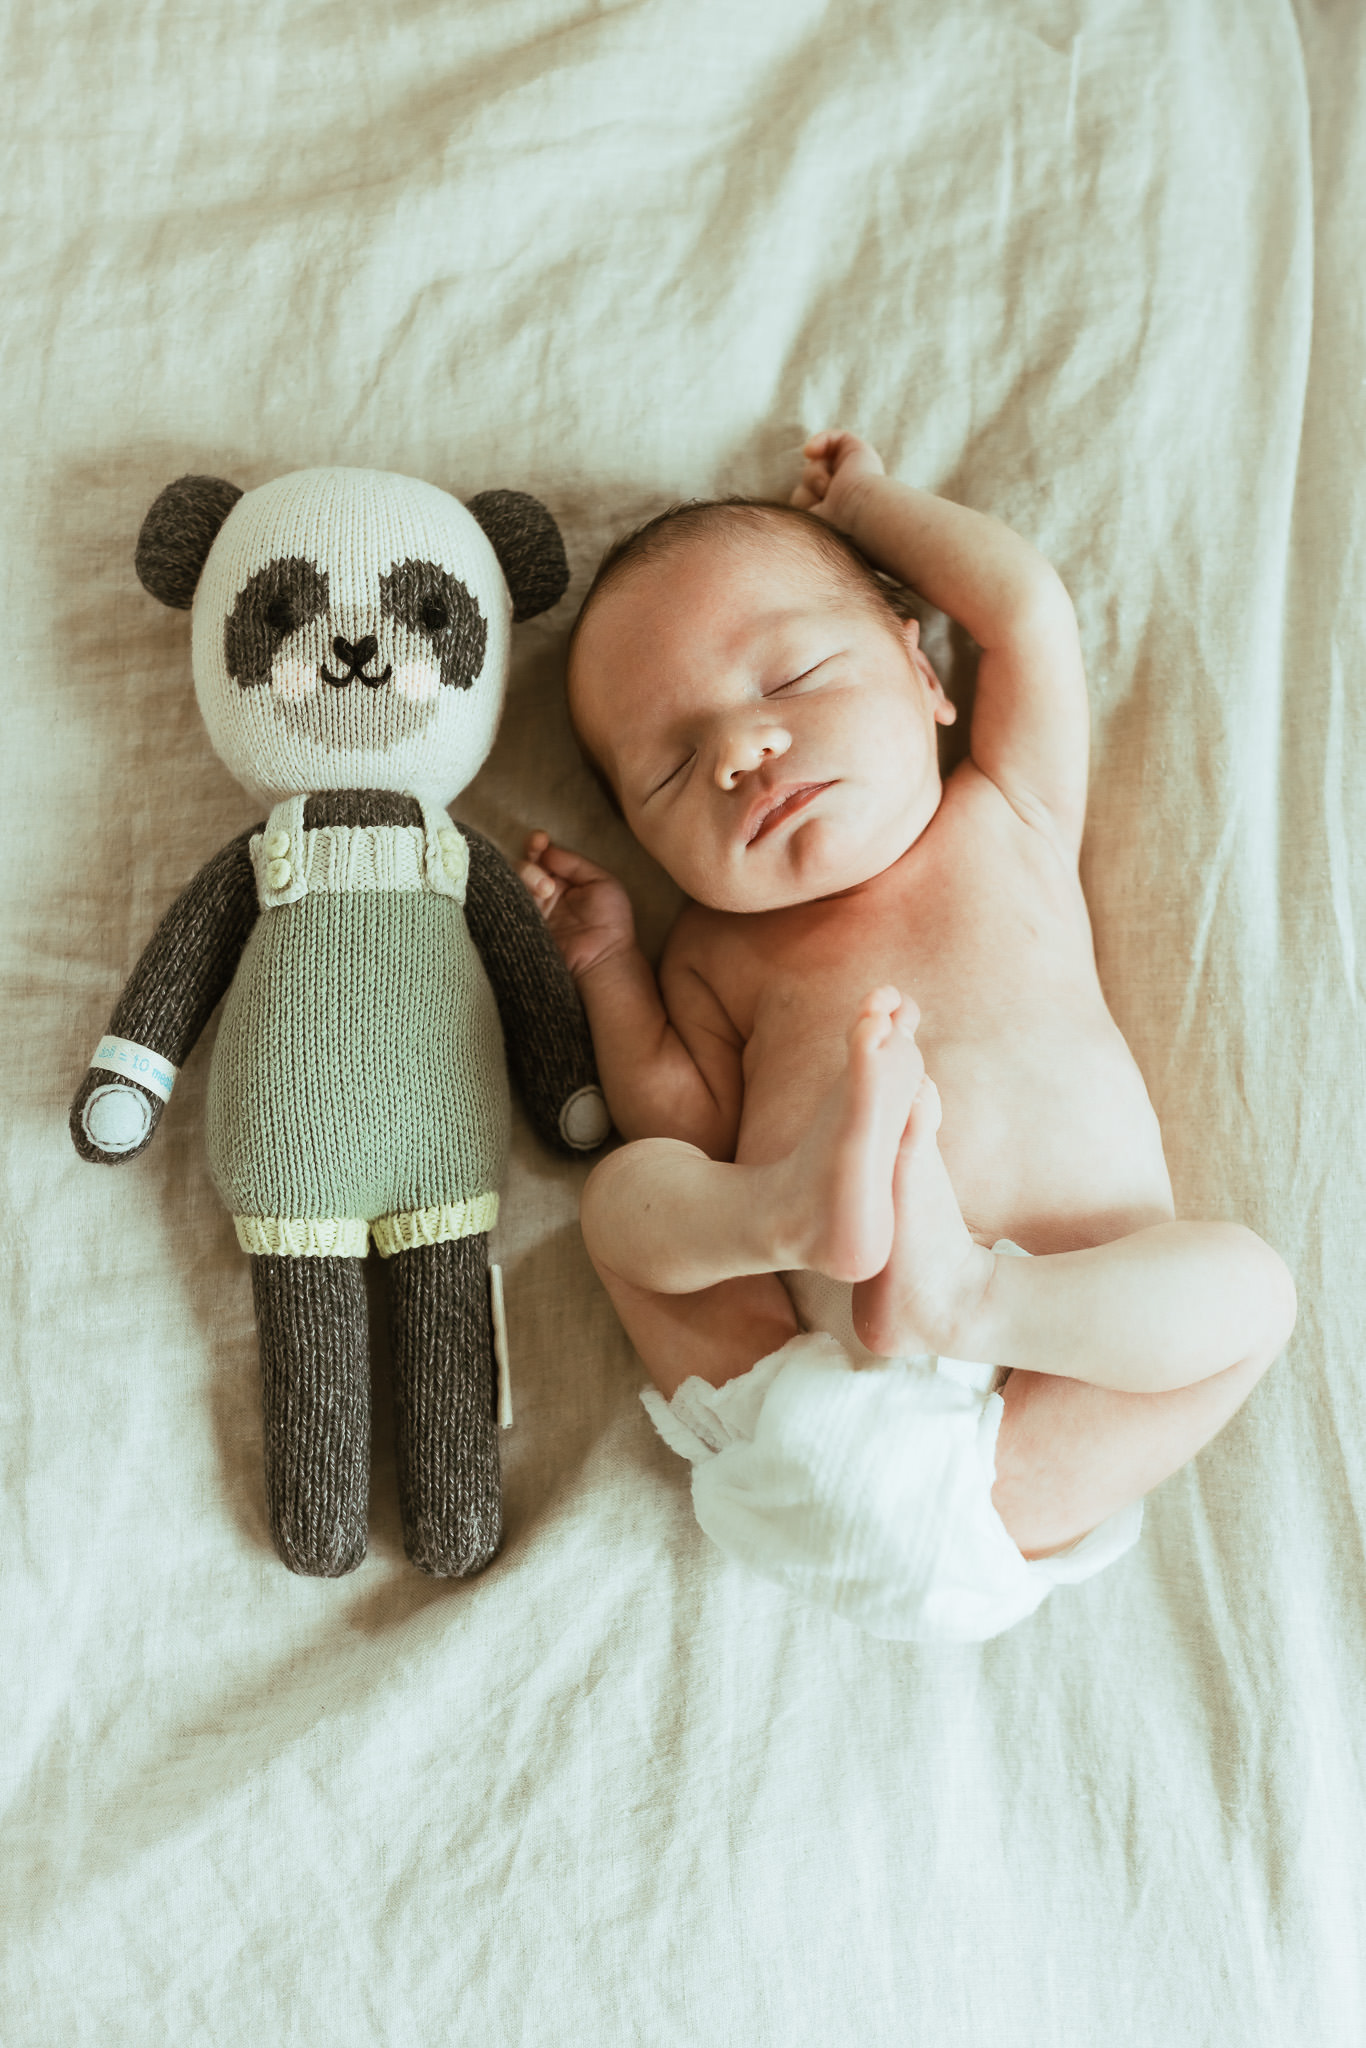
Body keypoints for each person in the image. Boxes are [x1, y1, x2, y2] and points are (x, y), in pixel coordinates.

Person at [519, 430, 1297, 1641]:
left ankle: (973, 1295)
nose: (740, 748)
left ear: (924, 674)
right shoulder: (713, 954)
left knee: (1248, 1294)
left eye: (789, 681)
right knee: (627, 1192)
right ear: (644, 836)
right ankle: (796, 1213)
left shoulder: (1008, 815)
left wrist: (872, 504)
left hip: (1033, 1420)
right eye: (670, 769)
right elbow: (680, 1119)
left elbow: (1025, 613)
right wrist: (610, 966)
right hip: (791, 1398)